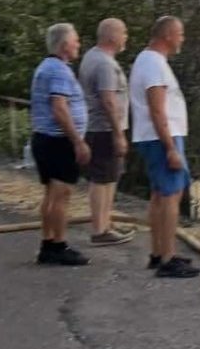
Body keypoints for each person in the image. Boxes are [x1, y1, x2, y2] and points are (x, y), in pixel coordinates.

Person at [131, 16, 200, 278]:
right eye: (180, 34)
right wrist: (170, 147)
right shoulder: (153, 64)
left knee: (161, 194)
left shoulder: (149, 61)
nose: (182, 39)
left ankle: (159, 252)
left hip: (155, 136)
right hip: (161, 137)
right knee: (171, 194)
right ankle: (167, 258)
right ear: (168, 35)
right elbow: (157, 109)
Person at [30, 23, 91, 266]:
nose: (78, 45)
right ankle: (58, 245)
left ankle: (48, 243)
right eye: (75, 41)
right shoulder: (57, 71)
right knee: (61, 195)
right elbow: (59, 107)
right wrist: (77, 141)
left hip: (46, 139)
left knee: (51, 194)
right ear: (64, 45)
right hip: (58, 141)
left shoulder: (49, 67)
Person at [78, 18, 135, 246]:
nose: (126, 38)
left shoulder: (93, 56)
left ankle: (106, 223)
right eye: (124, 33)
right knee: (102, 178)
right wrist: (118, 133)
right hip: (104, 129)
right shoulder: (103, 64)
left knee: (110, 177)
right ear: (112, 36)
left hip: (100, 127)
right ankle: (100, 229)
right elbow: (108, 100)